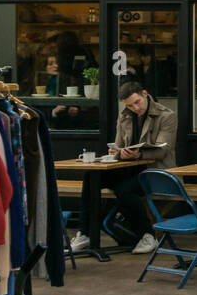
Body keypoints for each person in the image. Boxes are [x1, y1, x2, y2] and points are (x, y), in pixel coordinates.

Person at [70, 81, 178, 256]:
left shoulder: (166, 116)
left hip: (156, 172)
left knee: (124, 189)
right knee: (91, 176)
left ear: (145, 93)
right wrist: (118, 152)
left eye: (137, 102)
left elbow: (162, 151)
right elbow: (117, 147)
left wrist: (137, 155)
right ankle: (85, 233)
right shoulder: (124, 116)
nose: (135, 108)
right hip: (130, 167)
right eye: (129, 105)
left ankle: (148, 235)